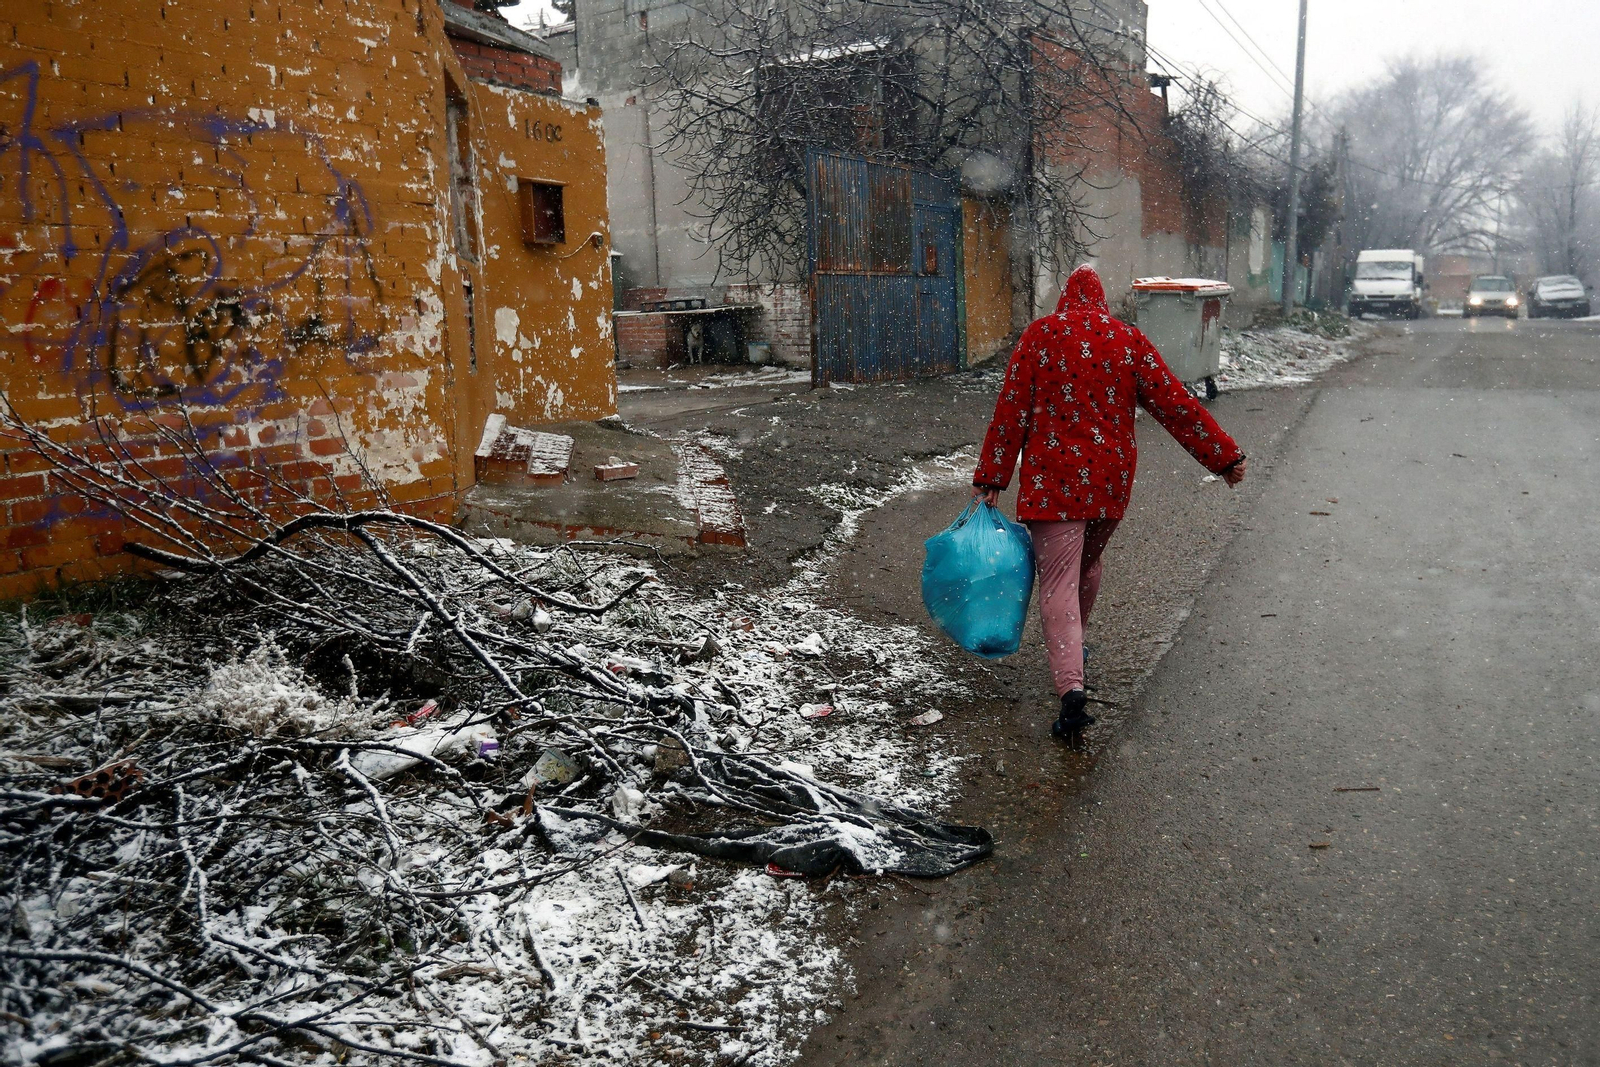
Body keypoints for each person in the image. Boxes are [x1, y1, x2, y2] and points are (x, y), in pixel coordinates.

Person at [972, 264, 1246, 747]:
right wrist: (1223, 458)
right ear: (1100, 301)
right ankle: (1073, 651)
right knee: (1086, 564)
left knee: (1058, 579)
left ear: (1064, 299)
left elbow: (1011, 408)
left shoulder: (1039, 336)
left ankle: (1070, 690)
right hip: (1108, 484)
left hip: (1053, 484)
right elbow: (1175, 404)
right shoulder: (1127, 340)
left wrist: (993, 476)